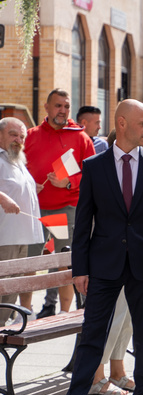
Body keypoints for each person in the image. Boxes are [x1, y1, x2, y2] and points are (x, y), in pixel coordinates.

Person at [46, 99, 143, 395]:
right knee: (92, 336)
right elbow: (84, 223)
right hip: (103, 266)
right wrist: (80, 270)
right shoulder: (94, 166)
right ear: (122, 123)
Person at [24, 89, 96, 318]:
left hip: (65, 209)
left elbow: (94, 176)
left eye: (66, 106)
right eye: (58, 106)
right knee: (30, 262)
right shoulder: (31, 135)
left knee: (64, 262)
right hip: (34, 210)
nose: (63, 111)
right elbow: (18, 167)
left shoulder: (80, 137)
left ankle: (64, 312)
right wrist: (28, 184)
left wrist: (69, 182)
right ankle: (25, 310)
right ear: (46, 107)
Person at [0, 118, 43, 325]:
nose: (18, 140)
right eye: (13, 134)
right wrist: (2, 197)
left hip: (21, 239)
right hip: (4, 239)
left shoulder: (17, 160)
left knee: (10, 294)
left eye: (22, 137)